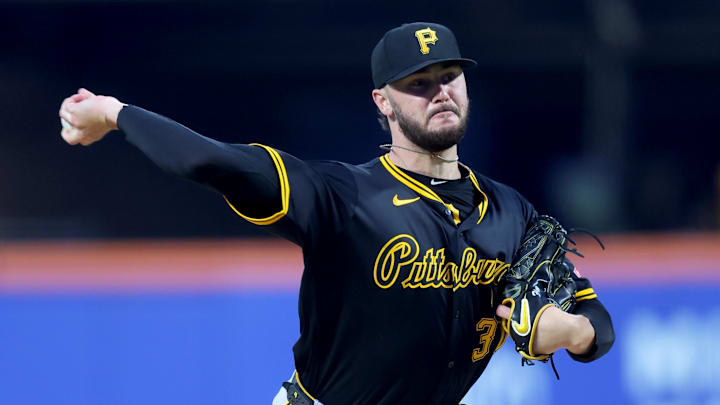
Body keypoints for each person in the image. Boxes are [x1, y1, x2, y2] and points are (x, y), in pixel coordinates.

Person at [59, 22, 614, 405]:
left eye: (448, 76)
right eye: (417, 84)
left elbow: (600, 327)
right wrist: (113, 112)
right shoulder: (340, 195)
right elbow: (213, 161)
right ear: (384, 103)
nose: (438, 92)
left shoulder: (512, 214)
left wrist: (566, 331)